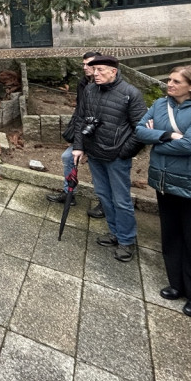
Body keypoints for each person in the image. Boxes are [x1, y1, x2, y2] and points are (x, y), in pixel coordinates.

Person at [135, 66, 191, 317]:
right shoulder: (161, 104)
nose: (169, 84)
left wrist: (157, 142)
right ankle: (177, 284)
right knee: (171, 235)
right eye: (168, 79)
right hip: (164, 180)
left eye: (176, 81)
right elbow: (139, 130)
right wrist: (169, 135)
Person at [71, 55, 146, 262]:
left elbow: (141, 129)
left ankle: (126, 240)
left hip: (117, 157)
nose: (95, 74)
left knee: (121, 200)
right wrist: (78, 146)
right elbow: (80, 119)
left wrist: (124, 152)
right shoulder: (90, 90)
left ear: (114, 71)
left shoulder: (131, 94)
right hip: (95, 153)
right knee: (104, 196)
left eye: (101, 70)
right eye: (94, 70)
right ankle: (114, 232)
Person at [46, 51, 105, 219]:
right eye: (84, 64)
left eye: (89, 64)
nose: (85, 67)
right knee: (67, 157)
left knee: (98, 168)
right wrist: (79, 140)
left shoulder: (109, 86)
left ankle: (104, 202)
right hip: (84, 131)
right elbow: (80, 111)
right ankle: (68, 193)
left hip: (102, 137)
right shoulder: (83, 83)